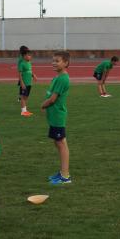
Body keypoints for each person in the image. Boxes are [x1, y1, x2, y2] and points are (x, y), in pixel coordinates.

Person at [41, 51, 72, 185]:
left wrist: (43, 105)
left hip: (58, 116)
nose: (54, 63)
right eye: (53, 60)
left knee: (61, 143)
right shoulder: (57, 77)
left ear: (65, 63)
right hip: (54, 116)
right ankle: (62, 172)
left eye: (57, 60)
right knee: (57, 142)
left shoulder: (62, 78)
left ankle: (65, 176)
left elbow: (53, 99)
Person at [18, 48, 37, 116]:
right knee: (23, 97)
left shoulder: (29, 63)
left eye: (30, 55)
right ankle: (23, 111)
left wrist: (33, 75)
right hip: (24, 83)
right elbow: (20, 74)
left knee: (26, 97)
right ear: (24, 56)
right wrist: (22, 83)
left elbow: (30, 71)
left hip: (29, 83)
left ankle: (25, 110)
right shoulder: (22, 64)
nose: (30, 56)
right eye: (28, 55)